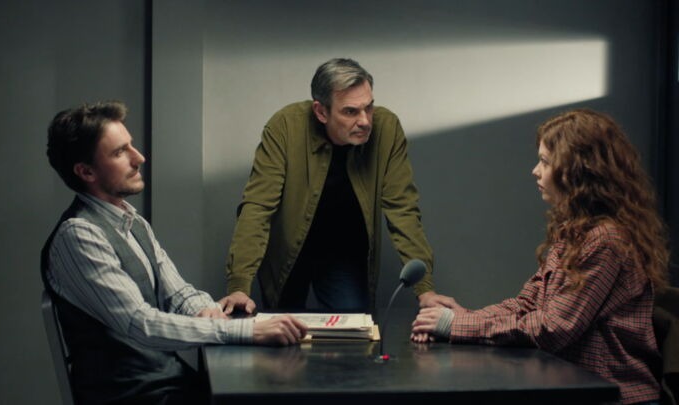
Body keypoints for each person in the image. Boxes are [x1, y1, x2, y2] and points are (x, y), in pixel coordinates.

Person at [42, 100, 307, 405]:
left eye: (131, 145)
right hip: (131, 396)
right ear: (86, 171)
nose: (139, 158)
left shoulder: (133, 222)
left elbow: (178, 294)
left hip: (168, 384)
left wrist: (206, 309)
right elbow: (140, 323)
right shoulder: (79, 235)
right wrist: (245, 331)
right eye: (120, 152)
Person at [411, 109, 669, 404]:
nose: (535, 170)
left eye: (545, 161)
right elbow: (526, 305)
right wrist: (460, 318)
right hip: (578, 389)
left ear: (577, 170)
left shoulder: (605, 239)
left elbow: (554, 328)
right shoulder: (574, 233)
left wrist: (454, 326)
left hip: (616, 396)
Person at [219, 58, 443, 314]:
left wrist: (425, 290)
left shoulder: (387, 128)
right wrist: (239, 285)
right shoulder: (285, 127)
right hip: (289, 251)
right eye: (350, 112)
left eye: (369, 107)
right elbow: (258, 207)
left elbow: (403, 209)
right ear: (321, 112)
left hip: (344, 251)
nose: (365, 121)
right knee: (281, 329)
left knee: (353, 326)